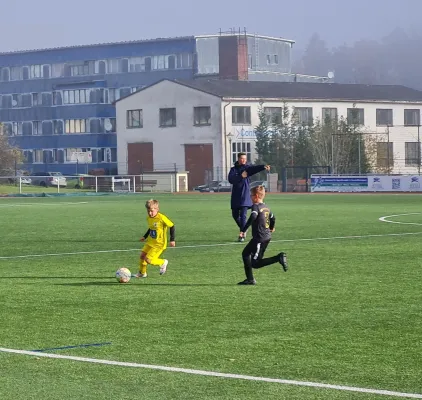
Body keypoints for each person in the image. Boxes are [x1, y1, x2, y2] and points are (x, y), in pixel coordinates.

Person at [238, 185, 288, 285]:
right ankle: (250, 279)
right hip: (264, 236)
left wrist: (243, 230)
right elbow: (273, 218)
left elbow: (253, 216)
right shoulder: (266, 207)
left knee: (255, 263)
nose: (250, 197)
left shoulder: (256, 206)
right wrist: (271, 228)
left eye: (251, 195)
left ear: (256, 196)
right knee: (245, 253)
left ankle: (278, 258)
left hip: (259, 239)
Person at [228, 153, 270, 242]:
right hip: (235, 196)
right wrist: (241, 176)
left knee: (243, 216)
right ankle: (244, 229)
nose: (243, 160)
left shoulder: (247, 168)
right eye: (242, 158)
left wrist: (263, 167)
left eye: (245, 159)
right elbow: (231, 180)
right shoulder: (233, 169)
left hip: (245, 195)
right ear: (238, 159)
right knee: (235, 216)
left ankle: (242, 235)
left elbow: (254, 169)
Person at [135, 199, 175, 278]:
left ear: (157, 209)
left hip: (159, 244)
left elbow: (172, 226)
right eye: (148, 211)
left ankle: (163, 262)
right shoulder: (149, 218)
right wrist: (145, 236)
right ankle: (142, 273)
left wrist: (172, 240)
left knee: (148, 260)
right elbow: (151, 228)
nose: (150, 213)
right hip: (150, 241)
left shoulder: (161, 218)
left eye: (151, 211)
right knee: (142, 256)